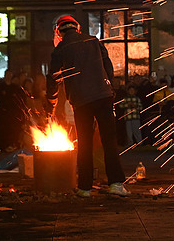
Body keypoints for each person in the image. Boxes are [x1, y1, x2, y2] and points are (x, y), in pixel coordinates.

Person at [47, 14, 129, 197]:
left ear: (59, 32)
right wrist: (108, 86)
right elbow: (108, 66)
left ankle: (85, 188)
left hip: (81, 101)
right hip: (103, 96)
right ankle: (116, 184)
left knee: (84, 143)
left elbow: (53, 79)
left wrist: (50, 104)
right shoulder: (94, 41)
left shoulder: (60, 48)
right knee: (109, 141)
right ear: (77, 28)